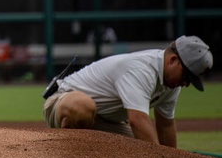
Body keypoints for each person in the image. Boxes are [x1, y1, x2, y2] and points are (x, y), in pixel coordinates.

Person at [43, 35, 213, 147]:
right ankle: (63, 152)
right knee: (82, 106)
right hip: (63, 102)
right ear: (173, 60)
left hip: (107, 121)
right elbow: (137, 120)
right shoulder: (141, 69)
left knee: (134, 150)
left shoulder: (171, 84)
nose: (186, 83)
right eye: (187, 76)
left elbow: (165, 125)